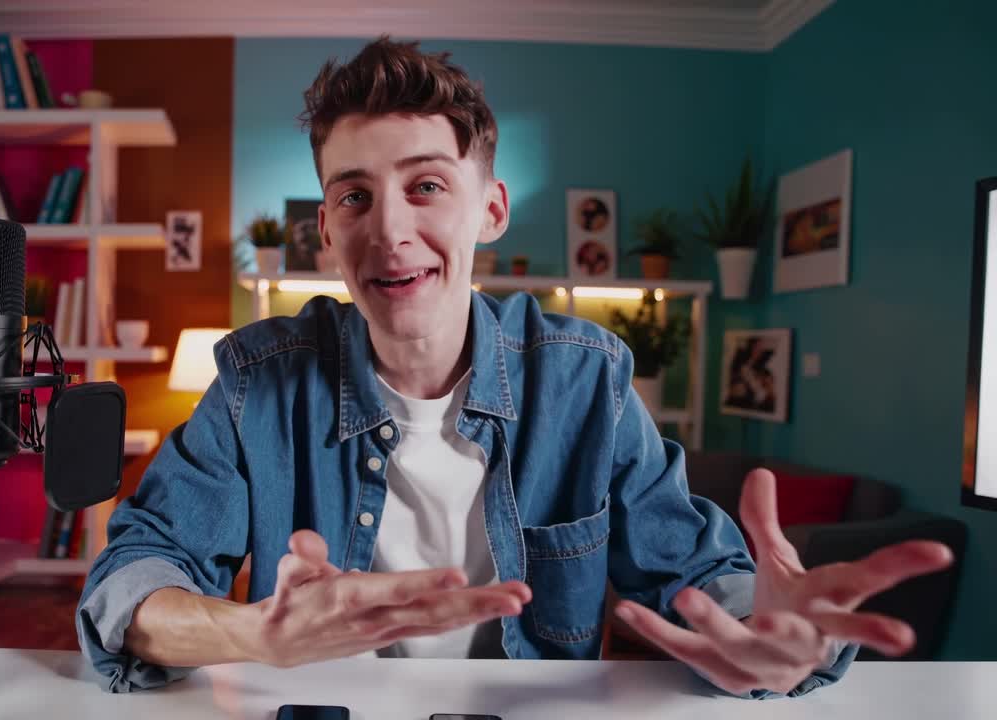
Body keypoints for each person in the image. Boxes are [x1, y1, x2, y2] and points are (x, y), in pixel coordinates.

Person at [76, 36, 953, 700]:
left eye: (426, 186)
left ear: (490, 209)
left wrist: (778, 632)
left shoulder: (588, 381)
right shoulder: (254, 381)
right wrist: (252, 633)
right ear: (327, 230)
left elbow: (700, 577)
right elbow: (131, 580)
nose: (389, 231)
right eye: (353, 196)